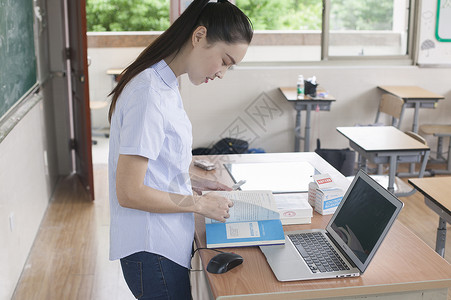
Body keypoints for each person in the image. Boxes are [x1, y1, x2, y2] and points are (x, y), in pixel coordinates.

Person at [107, 0, 253, 299]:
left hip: (164, 241)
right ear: (199, 36)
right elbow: (130, 191)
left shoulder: (164, 82)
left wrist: (197, 183)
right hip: (151, 248)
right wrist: (200, 205)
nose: (223, 72)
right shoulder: (148, 93)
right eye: (224, 60)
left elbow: (156, 164)